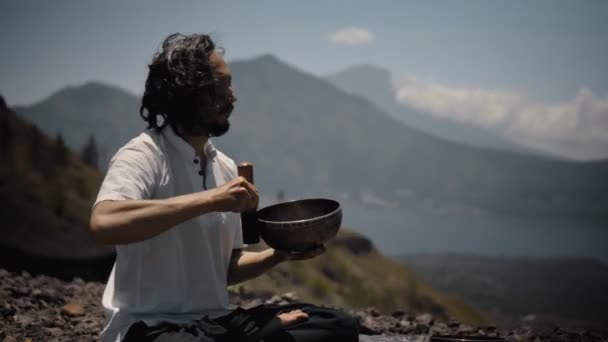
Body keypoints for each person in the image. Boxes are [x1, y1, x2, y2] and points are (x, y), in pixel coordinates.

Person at [89, 33, 359, 342]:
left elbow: (225, 271)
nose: (232, 96)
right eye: (223, 85)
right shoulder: (144, 155)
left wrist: (279, 255)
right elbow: (104, 223)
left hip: (214, 324)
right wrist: (210, 199)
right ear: (190, 93)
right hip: (148, 327)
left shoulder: (225, 167)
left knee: (337, 325)